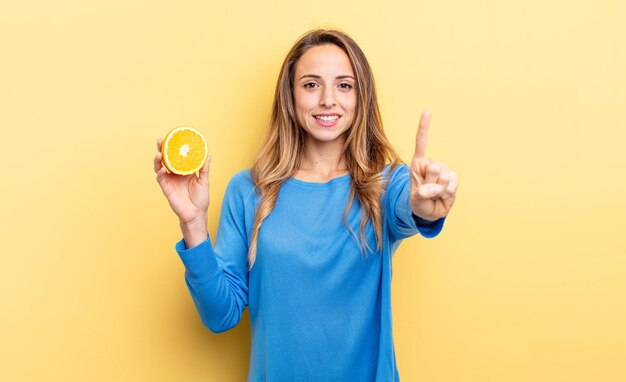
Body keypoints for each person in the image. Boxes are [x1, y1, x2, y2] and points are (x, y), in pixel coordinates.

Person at [153, 29, 458, 381]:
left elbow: (410, 207)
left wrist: (424, 205)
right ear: (291, 96)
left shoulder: (386, 185)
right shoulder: (249, 190)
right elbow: (220, 315)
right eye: (311, 85)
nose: (328, 99)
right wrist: (192, 222)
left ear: (362, 97)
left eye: (344, 85)